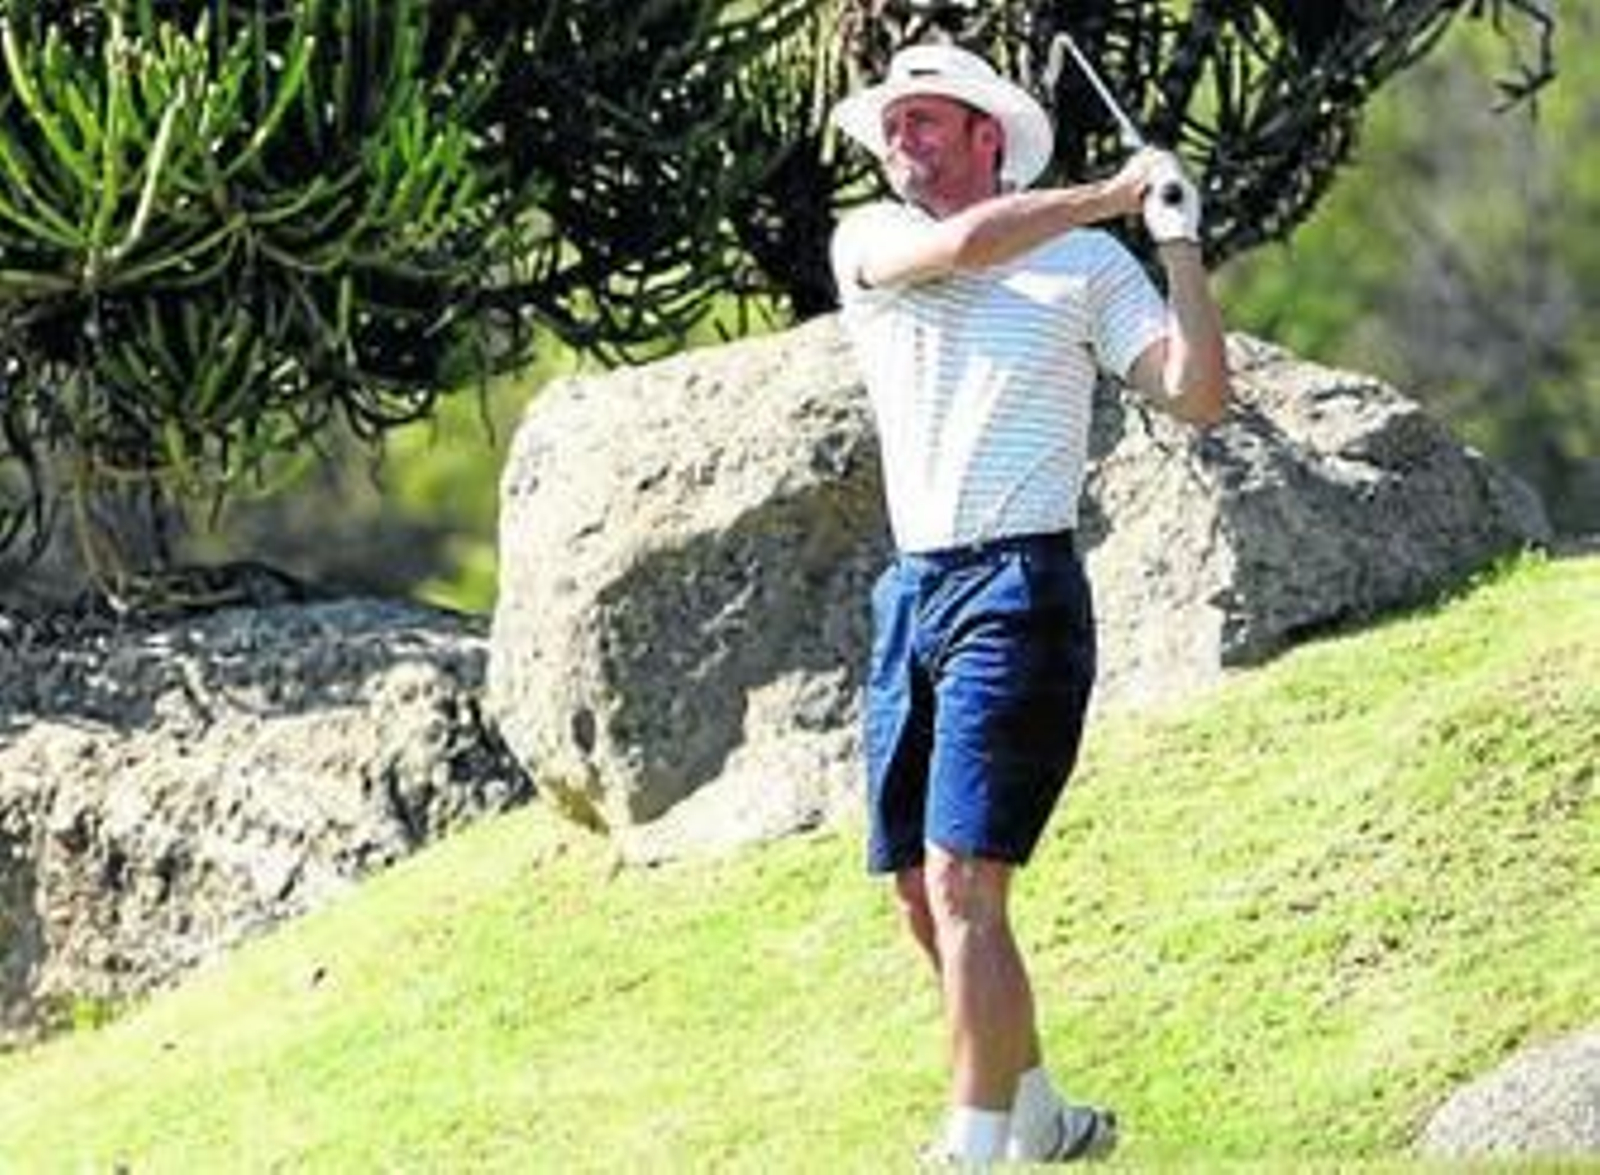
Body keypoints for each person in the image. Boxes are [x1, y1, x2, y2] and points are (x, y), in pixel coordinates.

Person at [828, 43, 1230, 1164]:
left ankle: (970, 1149)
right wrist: (1112, 189)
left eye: (924, 123)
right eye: (894, 125)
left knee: (965, 880)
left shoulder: (1092, 271)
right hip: (911, 593)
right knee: (919, 889)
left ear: (985, 138)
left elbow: (1197, 396)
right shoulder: (871, 239)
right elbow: (964, 246)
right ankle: (1042, 1114)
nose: (899, 142)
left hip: (1018, 590)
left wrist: (1176, 243)